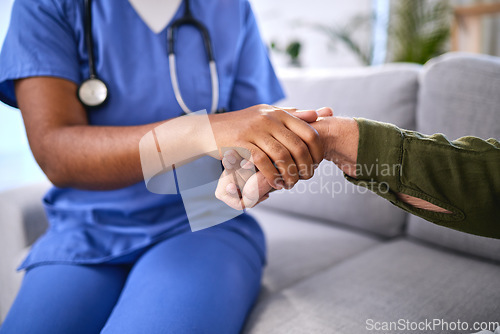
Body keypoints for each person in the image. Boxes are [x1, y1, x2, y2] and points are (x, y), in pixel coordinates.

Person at [0, 0, 324, 333]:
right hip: (86, 228)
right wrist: (203, 131)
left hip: (204, 219)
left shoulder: (229, 7)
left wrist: (256, 168)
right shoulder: (46, 5)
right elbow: (56, 154)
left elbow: (247, 133)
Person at [218, 112, 500, 239]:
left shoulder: (230, 10)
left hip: (211, 218)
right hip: (199, 204)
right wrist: (207, 130)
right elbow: (241, 127)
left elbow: (252, 121)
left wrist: (326, 136)